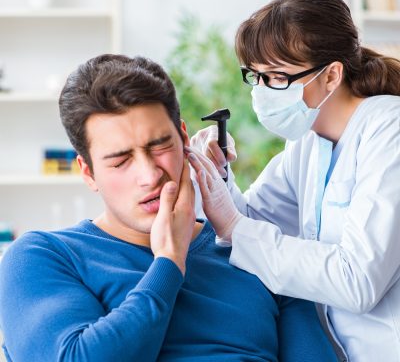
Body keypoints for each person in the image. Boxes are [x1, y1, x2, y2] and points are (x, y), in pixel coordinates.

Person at [0, 54, 337, 362]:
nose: (149, 176)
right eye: (120, 161)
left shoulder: (257, 250)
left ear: (183, 138)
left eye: (160, 147)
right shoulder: (43, 256)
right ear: (88, 173)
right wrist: (169, 262)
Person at [188, 0, 400, 362]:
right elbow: (253, 223)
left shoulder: (389, 129)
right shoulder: (307, 140)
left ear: (331, 75)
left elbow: (358, 282)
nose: (263, 92)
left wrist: (235, 226)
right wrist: (218, 178)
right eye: (256, 76)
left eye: (277, 77)